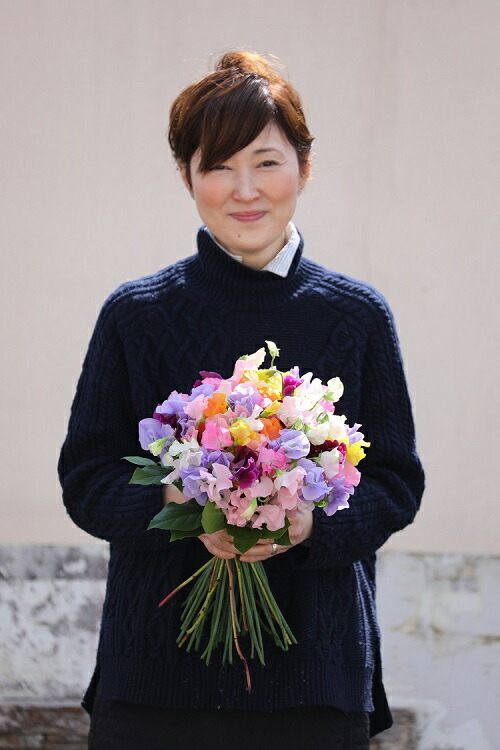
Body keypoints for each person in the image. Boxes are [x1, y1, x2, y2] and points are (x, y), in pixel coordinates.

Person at [58, 49, 425, 750]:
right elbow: (86, 479)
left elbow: (395, 481)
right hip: (154, 685)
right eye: (218, 165)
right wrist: (179, 505)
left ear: (304, 167)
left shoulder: (357, 315)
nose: (244, 189)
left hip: (315, 685)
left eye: (265, 161)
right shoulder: (135, 314)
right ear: (187, 176)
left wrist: (307, 525)